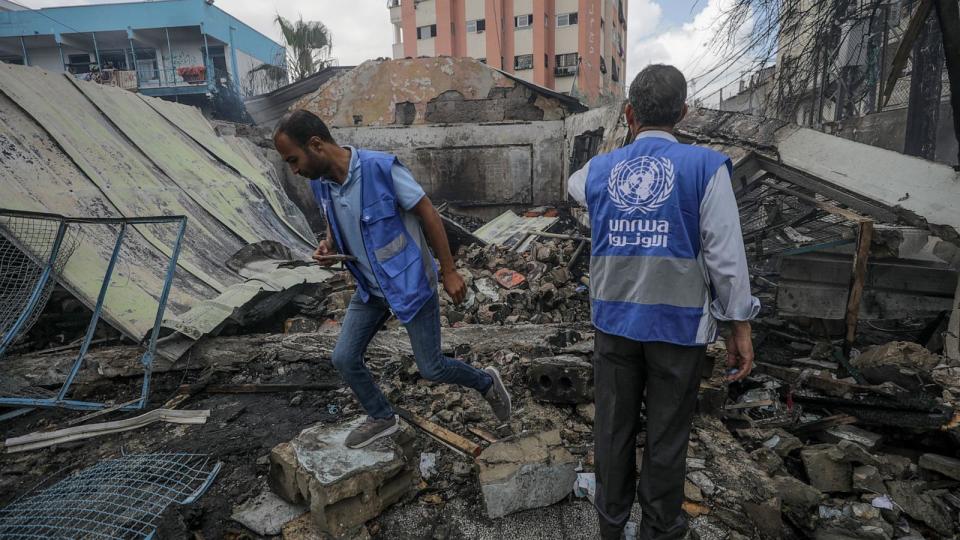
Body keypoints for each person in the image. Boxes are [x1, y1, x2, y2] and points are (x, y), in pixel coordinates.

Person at [567, 65, 759, 539]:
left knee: (612, 432)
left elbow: (576, 187)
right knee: (667, 437)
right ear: (684, 113)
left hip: (614, 326)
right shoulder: (705, 167)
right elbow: (725, 256)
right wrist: (739, 325)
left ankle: (610, 526)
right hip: (678, 330)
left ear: (629, 113)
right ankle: (658, 530)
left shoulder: (597, 173)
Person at [273, 109, 512, 449]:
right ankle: (382, 416)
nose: (294, 170)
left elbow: (427, 211)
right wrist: (327, 246)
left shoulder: (381, 169)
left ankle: (486, 383)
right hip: (371, 290)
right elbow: (335, 227)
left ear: (316, 144)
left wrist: (449, 270)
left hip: (410, 284)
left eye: (293, 160)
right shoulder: (321, 186)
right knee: (343, 357)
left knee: (431, 368)